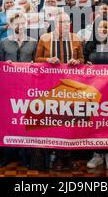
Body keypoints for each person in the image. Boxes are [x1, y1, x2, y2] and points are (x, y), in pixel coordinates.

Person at [34, 12, 84, 171]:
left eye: (66, 22)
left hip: (71, 86)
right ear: (55, 23)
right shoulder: (44, 38)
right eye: (60, 22)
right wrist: (47, 60)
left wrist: (77, 61)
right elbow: (36, 59)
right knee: (55, 121)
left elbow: (82, 59)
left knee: (70, 120)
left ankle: (67, 157)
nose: (63, 25)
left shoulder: (75, 38)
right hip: (51, 86)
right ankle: (56, 156)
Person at [0, 14, 38, 168]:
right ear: (11, 24)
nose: (19, 26)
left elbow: (38, 67)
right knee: (9, 121)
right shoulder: (4, 42)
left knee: (25, 121)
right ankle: (7, 155)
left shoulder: (33, 42)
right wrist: (4, 64)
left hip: (28, 89)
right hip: (9, 89)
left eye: (22, 23)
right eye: (16, 23)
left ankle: (25, 155)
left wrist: (34, 65)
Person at [84, 19, 108, 170]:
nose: (103, 29)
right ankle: (97, 155)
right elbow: (82, 63)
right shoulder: (89, 45)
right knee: (94, 120)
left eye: (106, 27)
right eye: (100, 26)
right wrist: (86, 65)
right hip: (92, 90)